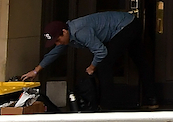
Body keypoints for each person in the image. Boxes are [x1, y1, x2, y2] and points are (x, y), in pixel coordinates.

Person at [22, 13, 156, 111]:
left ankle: (106, 108)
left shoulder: (80, 32)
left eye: (58, 40)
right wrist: (36, 70)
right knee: (140, 61)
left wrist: (92, 67)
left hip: (127, 26)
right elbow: (54, 53)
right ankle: (151, 99)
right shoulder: (68, 34)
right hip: (129, 23)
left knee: (104, 64)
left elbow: (101, 51)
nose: (58, 44)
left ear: (64, 32)